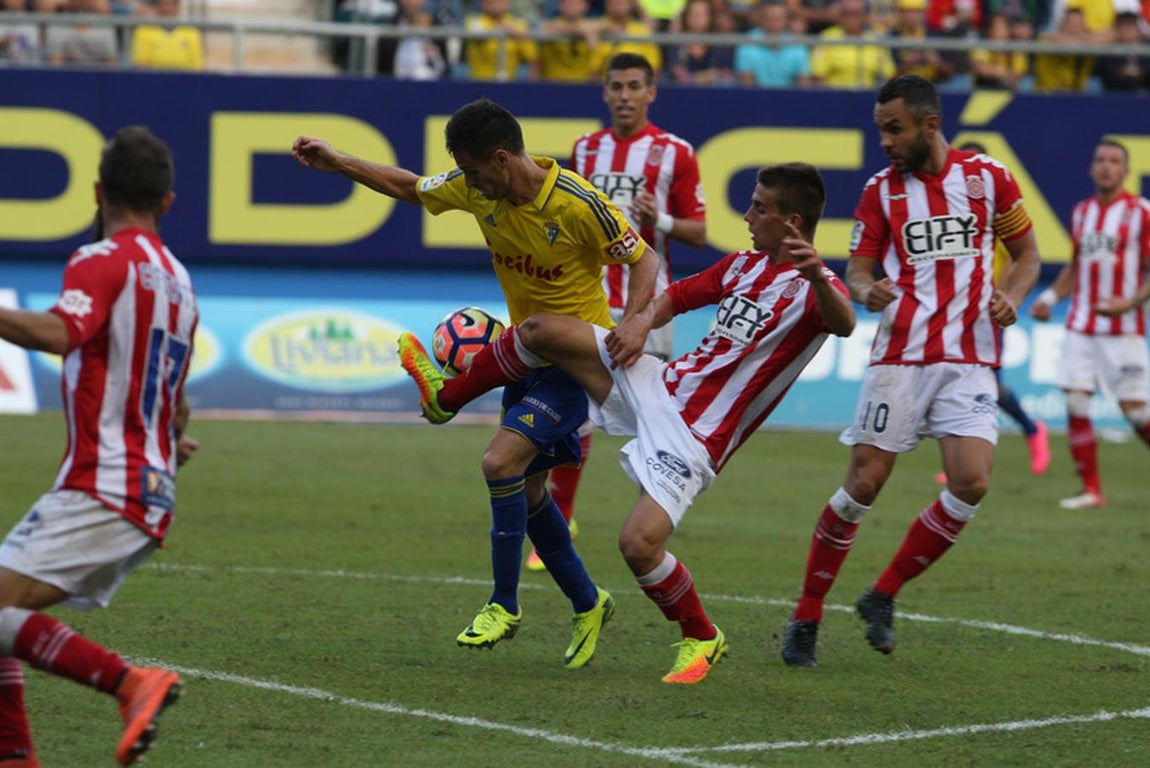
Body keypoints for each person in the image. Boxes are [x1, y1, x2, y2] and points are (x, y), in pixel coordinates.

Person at [400, 162, 856, 683]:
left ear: (792, 222)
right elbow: (676, 296)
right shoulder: (743, 266)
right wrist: (638, 323)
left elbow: (843, 321)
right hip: (661, 384)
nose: (748, 216)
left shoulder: (817, 291)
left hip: (695, 437)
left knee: (638, 546)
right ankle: (446, 398)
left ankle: (701, 635)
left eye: (759, 208)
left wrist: (816, 274)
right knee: (540, 329)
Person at [294, 98, 656, 668]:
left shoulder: (578, 203)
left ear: (502, 158)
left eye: (473, 169)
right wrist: (339, 162)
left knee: (498, 463)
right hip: (524, 358)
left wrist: (634, 322)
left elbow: (645, 260)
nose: (468, 181)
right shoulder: (476, 189)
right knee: (528, 492)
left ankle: (503, 604)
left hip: (573, 363)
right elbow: (410, 187)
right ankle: (589, 602)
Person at [780, 75, 1041, 668]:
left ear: (930, 125)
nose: (885, 142)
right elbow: (860, 268)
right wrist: (867, 289)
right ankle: (807, 614)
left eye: (894, 130)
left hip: (969, 358)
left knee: (971, 483)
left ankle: (883, 593)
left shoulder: (988, 178)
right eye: (880, 130)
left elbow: (1027, 255)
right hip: (901, 356)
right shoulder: (880, 192)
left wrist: (1012, 296)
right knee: (863, 486)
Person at [0, 126, 194, 767]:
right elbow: (176, 400)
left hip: (104, 483)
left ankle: (130, 683)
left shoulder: (101, 257)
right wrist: (170, 441)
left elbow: (61, 333)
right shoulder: (180, 281)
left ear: (96, 192)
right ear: (167, 201)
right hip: (148, 489)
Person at [528, 52, 708, 574]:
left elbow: (699, 232)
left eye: (634, 86)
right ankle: (562, 521)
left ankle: (651, 522)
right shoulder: (586, 149)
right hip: (588, 301)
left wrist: (662, 219)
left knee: (653, 421)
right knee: (574, 414)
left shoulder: (676, 152)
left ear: (651, 92)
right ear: (605, 92)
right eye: (616, 86)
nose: (625, 95)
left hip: (648, 308)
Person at [1029, 138, 1150, 510]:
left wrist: (1129, 302)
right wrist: (1049, 299)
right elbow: (1075, 267)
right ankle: (1092, 491)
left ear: (1126, 170)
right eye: (1100, 160)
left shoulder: (1141, 212)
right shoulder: (1082, 212)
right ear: (1091, 168)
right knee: (1076, 401)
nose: (1106, 166)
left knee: (1136, 411)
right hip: (1080, 325)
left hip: (1123, 329)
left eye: (1114, 161)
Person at [947, 140, 1049, 478]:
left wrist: (1000, 298)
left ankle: (1031, 429)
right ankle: (960, 459)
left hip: (986, 313)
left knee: (986, 386)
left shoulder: (995, 209)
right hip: (951, 312)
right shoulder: (946, 210)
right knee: (954, 383)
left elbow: (1015, 257)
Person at [129, 0, 204, 71]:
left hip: (184, 79)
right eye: (164, 4)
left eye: (173, 4)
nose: (168, 9)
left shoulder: (191, 32)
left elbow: (196, 67)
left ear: (178, 7)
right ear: (157, 6)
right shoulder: (143, 31)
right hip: (154, 79)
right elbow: (141, 64)